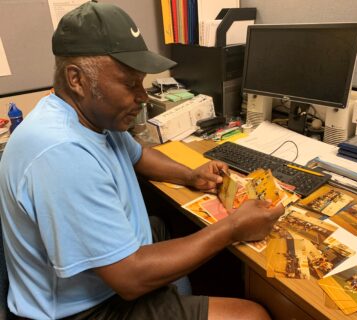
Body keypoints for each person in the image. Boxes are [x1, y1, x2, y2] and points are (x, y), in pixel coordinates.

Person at [0, 2, 284, 319]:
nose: (143, 96)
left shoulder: (90, 116)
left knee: (162, 225)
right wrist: (232, 228)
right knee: (252, 315)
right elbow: (130, 279)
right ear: (77, 79)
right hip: (86, 309)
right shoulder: (60, 152)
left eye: (142, 82)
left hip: (107, 277)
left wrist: (191, 176)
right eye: (130, 83)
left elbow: (137, 155)